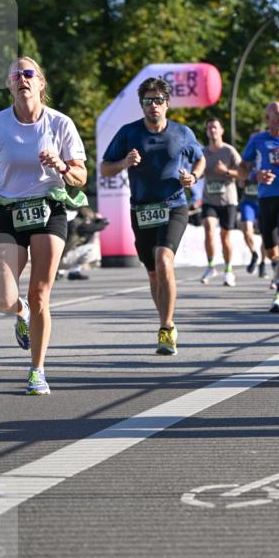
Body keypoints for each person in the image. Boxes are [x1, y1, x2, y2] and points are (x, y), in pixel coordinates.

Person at [0, 57, 87, 395]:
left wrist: (62, 167)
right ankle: (19, 311)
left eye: (28, 74)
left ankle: (37, 370)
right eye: (16, 75)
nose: (22, 79)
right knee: (2, 297)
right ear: (9, 85)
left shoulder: (60, 123)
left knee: (40, 294)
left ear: (40, 83)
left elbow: (81, 176)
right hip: (9, 209)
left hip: (49, 208)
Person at [100, 76, 205, 355]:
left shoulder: (182, 132)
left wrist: (193, 177)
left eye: (158, 100)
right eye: (148, 101)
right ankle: (165, 321)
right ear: (142, 105)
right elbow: (104, 168)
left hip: (174, 205)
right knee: (153, 274)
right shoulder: (128, 133)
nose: (153, 105)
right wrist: (124, 162)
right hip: (142, 210)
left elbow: (200, 158)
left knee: (164, 260)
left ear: (167, 104)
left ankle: (166, 327)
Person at [240, 102, 279, 313]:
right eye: (275, 114)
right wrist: (255, 175)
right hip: (266, 199)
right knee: (271, 251)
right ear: (268, 119)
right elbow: (241, 169)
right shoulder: (257, 140)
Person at [200, 117, 241, 287]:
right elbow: (197, 171)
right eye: (209, 127)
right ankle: (210, 266)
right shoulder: (202, 152)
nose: (212, 130)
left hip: (228, 200)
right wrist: (197, 174)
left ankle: (228, 270)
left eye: (215, 127)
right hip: (209, 199)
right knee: (209, 229)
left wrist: (226, 171)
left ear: (222, 130)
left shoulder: (229, 151)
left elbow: (242, 173)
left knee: (225, 236)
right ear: (207, 131)